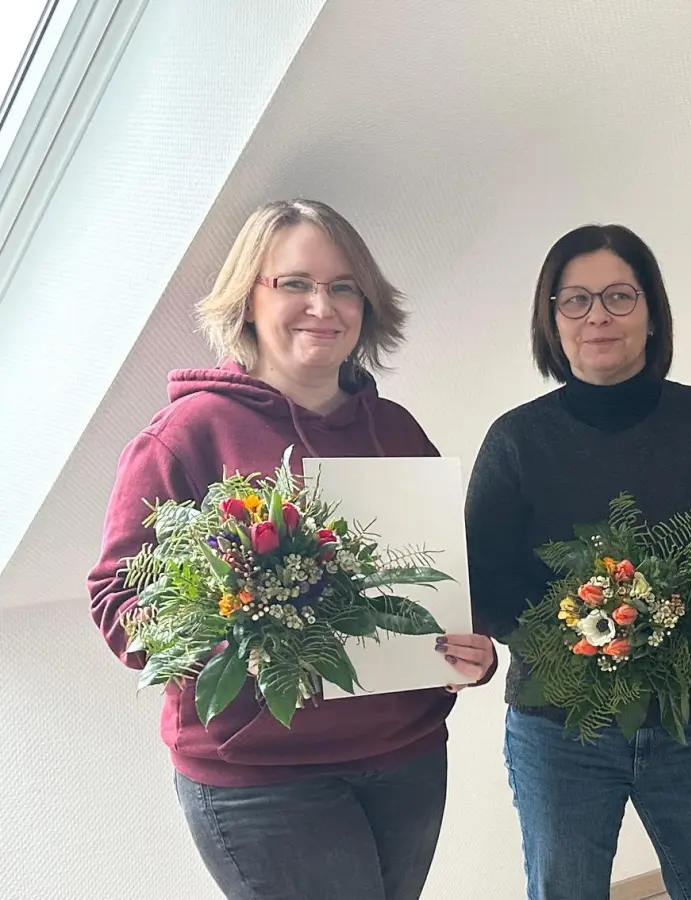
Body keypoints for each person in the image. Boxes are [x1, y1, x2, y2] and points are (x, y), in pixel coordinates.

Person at [87, 199, 497, 900]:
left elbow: (443, 580)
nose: (322, 305)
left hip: (407, 759)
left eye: (344, 287)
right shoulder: (187, 435)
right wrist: (233, 637)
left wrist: (474, 652)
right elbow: (118, 600)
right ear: (248, 297)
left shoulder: (395, 429)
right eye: (295, 283)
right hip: (262, 780)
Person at [464, 224, 691, 900]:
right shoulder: (515, 441)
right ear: (551, 319)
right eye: (575, 300)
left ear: (652, 313)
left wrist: (673, 619)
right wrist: (579, 633)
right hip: (557, 731)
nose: (597, 315)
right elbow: (486, 578)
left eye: (619, 296)